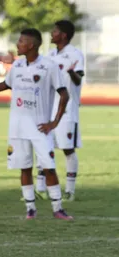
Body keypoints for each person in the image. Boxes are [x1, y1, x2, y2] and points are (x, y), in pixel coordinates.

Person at [0, 28, 73, 220]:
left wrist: (54, 122)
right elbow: (5, 85)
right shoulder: (18, 66)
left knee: (49, 167)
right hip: (17, 128)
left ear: (31, 45)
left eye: (21, 41)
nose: (18, 44)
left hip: (40, 128)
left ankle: (58, 208)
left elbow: (64, 94)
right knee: (24, 167)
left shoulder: (49, 66)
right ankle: (30, 209)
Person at [35, 20, 84, 202]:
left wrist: (72, 72)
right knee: (43, 145)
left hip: (67, 111)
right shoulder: (50, 55)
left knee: (67, 149)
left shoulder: (75, 54)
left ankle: (69, 191)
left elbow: (78, 80)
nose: (52, 33)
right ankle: (40, 188)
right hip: (47, 109)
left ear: (63, 35)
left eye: (55, 31)